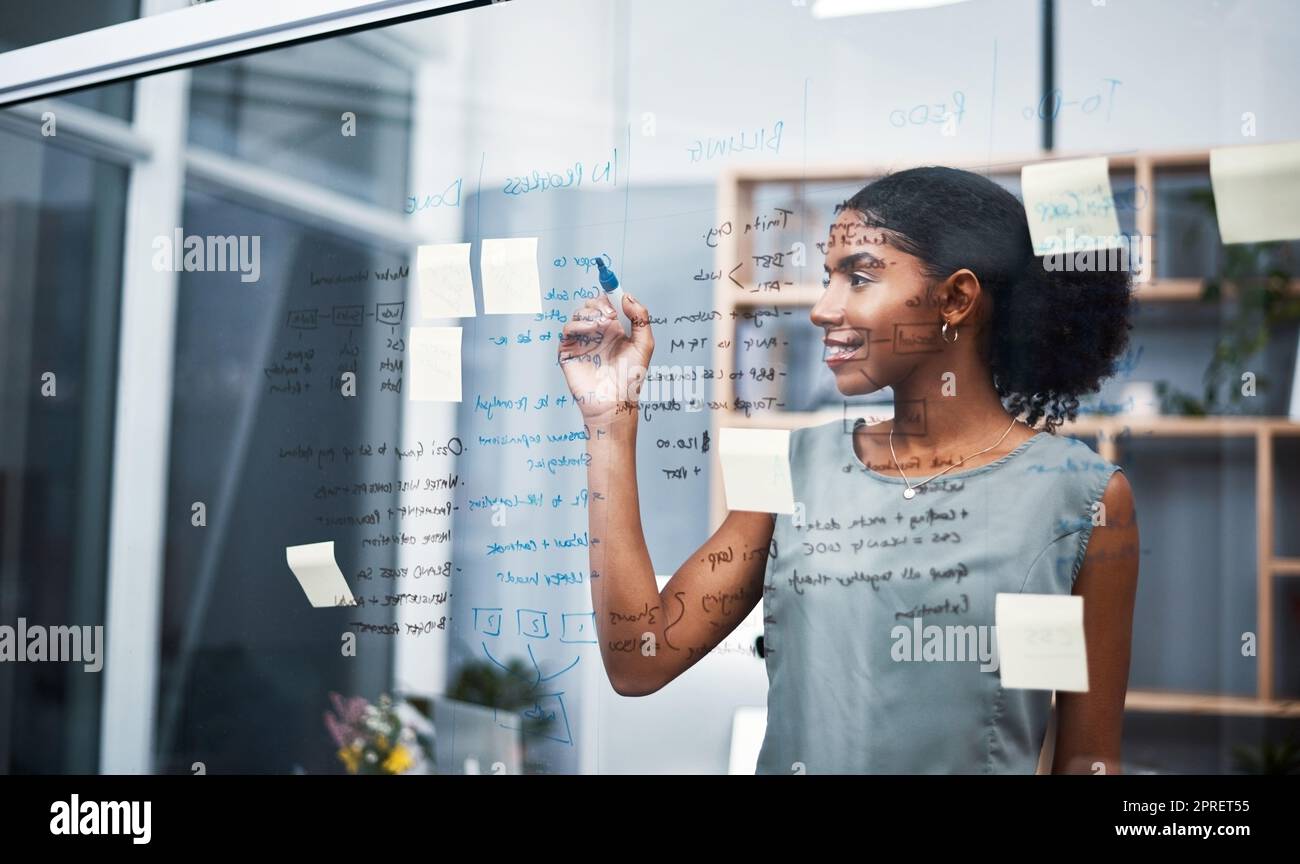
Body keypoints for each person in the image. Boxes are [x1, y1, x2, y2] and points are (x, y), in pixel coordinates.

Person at [557, 166, 1140, 774]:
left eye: (858, 278)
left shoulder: (1083, 499)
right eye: (828, 276)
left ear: (956, 299)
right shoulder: (796, 469)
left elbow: (1088, 762)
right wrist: (609, 424)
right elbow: (638, 660)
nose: (822, 309)